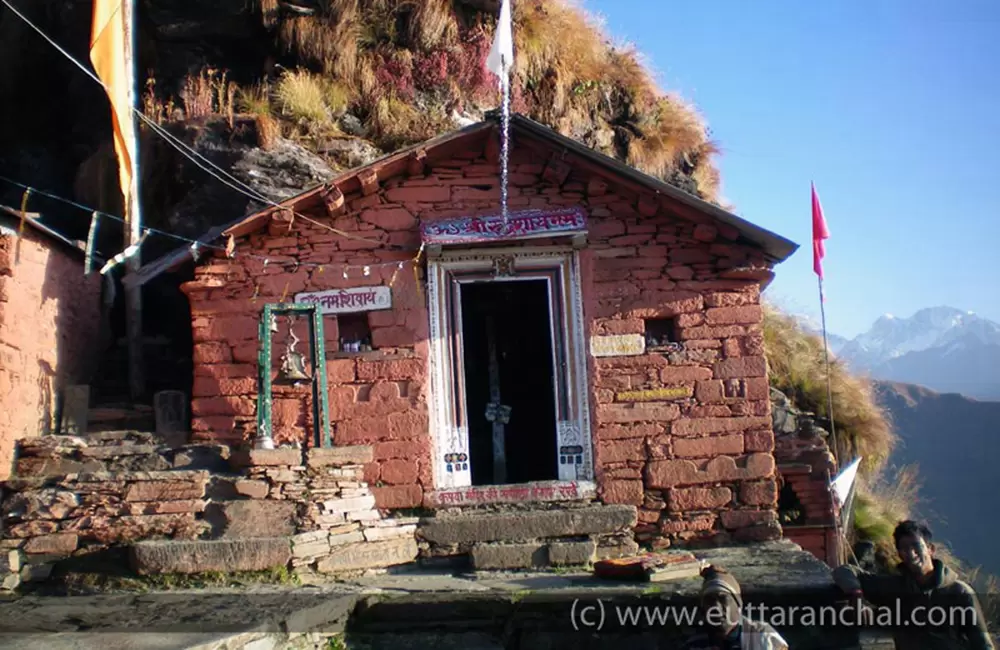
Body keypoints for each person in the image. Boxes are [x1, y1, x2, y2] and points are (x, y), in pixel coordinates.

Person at [832, 519, 995, 649]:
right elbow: (845, 571)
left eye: (916, 546)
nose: (910, 553)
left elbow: (982, 643)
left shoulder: (959, 593)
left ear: (930, 549)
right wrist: (857, 596)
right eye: (903, 548)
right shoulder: (895, 587)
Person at [682, 564, 789, 650]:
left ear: (738, 604)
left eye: (723, 599)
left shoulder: (763, 636)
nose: (716, 608)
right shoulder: (695, 644)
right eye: (710, 601)